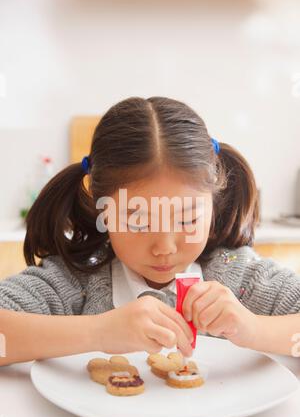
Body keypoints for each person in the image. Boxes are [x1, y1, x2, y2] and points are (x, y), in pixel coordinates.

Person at [1, 96, 300, 367]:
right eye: (139, 222)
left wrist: (252, 329)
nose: (164, 247)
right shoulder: (77, 278)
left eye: (186, 221)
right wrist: (99, 332)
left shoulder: (237, 274)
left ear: (214, 206)